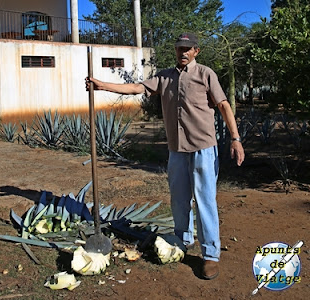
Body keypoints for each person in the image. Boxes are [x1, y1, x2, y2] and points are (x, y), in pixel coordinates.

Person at [86, 32, 244, 280]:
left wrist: (235, 139)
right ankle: (183, 240)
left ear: (196, 51)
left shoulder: (205, 74)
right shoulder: (165, 77)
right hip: (177, 150)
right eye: (179, 48)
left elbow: (223, 105)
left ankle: (210, 255)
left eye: (187, 49)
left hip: (203, 148)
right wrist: (102, 85)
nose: (183, 52)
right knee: (179, 199)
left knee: (205, 202)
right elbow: (137, 88)